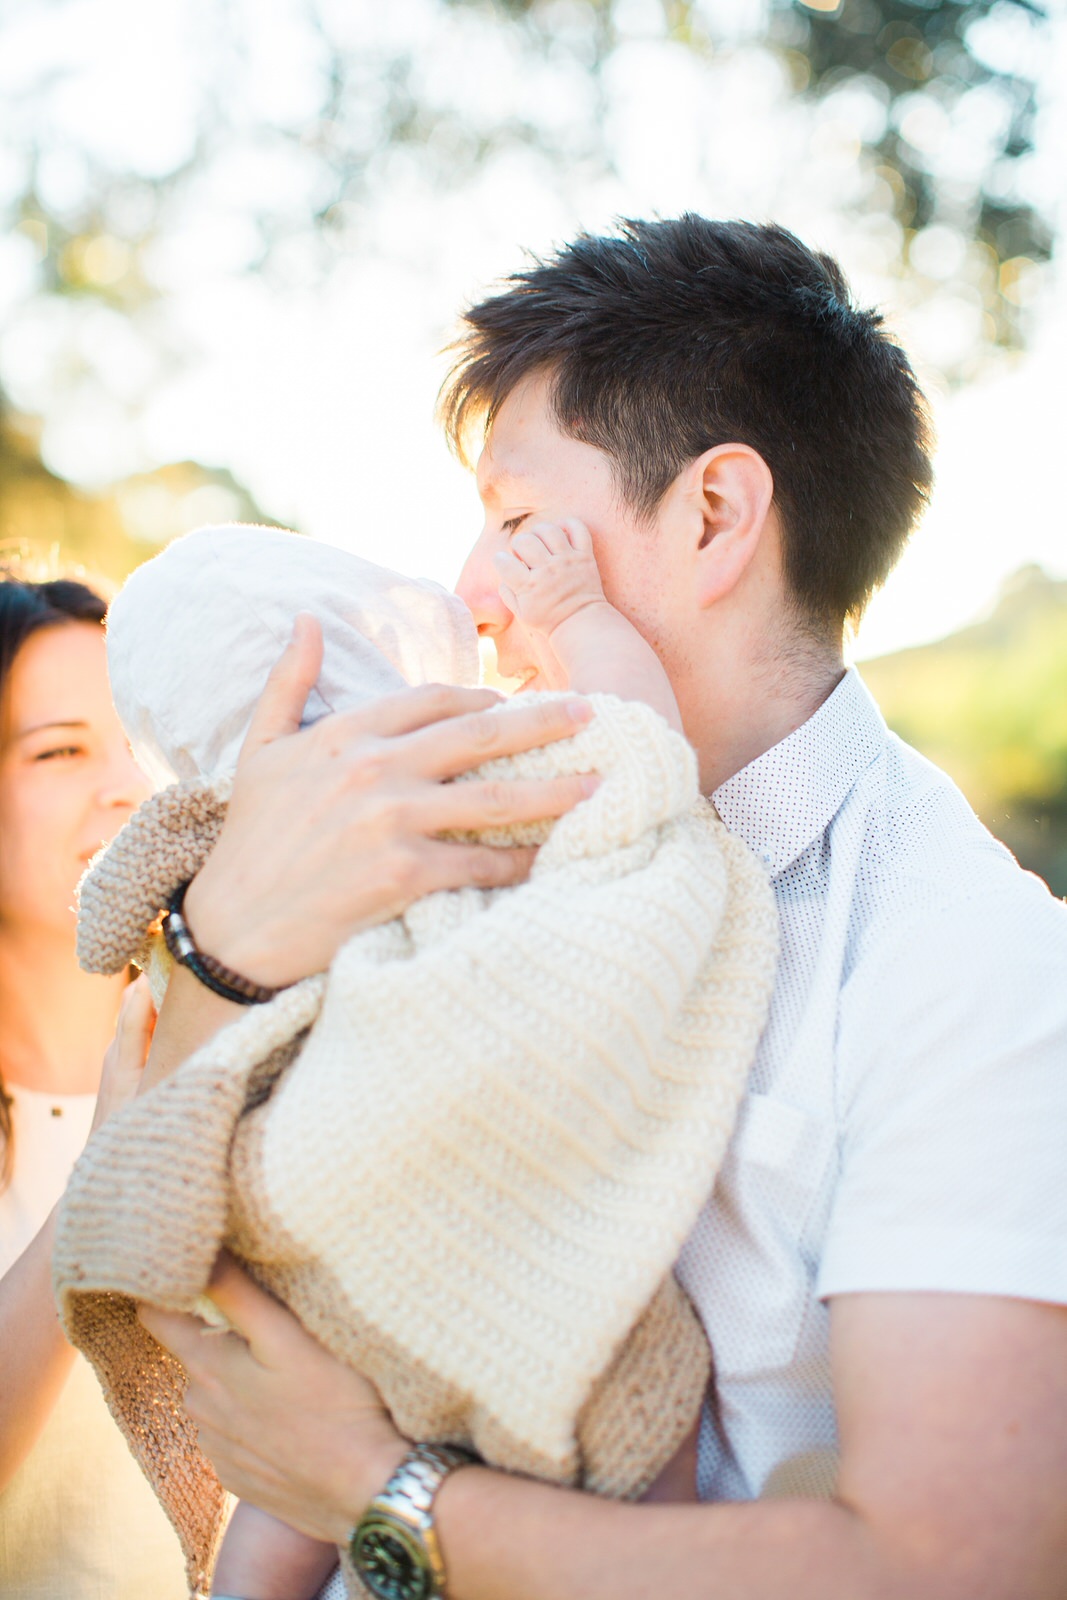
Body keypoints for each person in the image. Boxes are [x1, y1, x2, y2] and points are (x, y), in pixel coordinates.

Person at [135, 216, 1067, 1600]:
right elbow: (169, 1218)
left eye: (514, 523)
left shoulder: (968, 969)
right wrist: (226, 941)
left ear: (710, 516)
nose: (470, 592)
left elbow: (945, 1566)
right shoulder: (457, 819)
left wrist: (373, 1493)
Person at [55, 519, 777, 1600]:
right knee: (644, 1405)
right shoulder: (472, 759)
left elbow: (100, 920)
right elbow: (631, 749)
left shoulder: (206, 818)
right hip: (485, 1219)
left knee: (285, 1502)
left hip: (312, 1241)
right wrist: (578, 615)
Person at [0, 568, 187, 1598]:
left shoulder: (253, 1062)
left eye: (137, 745)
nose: (124, 786)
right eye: (62, 750)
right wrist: (102, 1176)